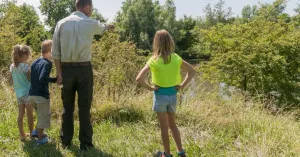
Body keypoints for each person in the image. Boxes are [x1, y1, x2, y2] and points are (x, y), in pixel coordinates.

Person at [52, 0, 114, 150]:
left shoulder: (61, 23)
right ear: (86, 7)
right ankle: (85, 143)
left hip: (66, 69)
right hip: (84, 69)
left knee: (67, 106)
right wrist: (109, 26)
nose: (91, 11)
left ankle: (66, 141)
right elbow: (103, 28)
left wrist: (59, 72)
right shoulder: (90, 23)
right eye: (91, 8)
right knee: (84, 107)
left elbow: (56, 52)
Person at [136, 30, 196, 157]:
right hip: (173, 96)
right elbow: (191, 71)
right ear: (170, 42)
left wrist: (151, 88)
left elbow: (139, 79)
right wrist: (182, 86)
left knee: (164, 127)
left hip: (160, 97)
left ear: (156, 43)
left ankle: (167, 155)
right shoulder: (176, 58)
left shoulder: (153, 60)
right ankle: (181, 152)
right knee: (173, 125)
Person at [29, 40, 57, 145]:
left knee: (40, 115)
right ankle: (40, 140)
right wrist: (54, 80)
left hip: (31, 95)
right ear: (51, 51)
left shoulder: (35, 61)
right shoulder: (48, 63)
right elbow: (42, 78)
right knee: (43, 117)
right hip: (41, 95)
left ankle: (36, 132)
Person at [10, 45, 34, 141]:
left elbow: (12, 81)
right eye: (28, 55)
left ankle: (22, 135)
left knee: (20, 114)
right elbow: (30, 79)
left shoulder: (12, 67)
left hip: (19, 94)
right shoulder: (25, 66)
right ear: (24, 55)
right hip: (27, 93)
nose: (28, 57)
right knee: (30, 114)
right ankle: (32, 134)